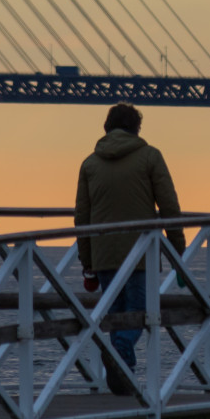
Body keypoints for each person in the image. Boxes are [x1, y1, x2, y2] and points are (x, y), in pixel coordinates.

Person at [74, 103, 186, 395]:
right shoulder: (150, 157)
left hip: (104, 254)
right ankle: (122, 355)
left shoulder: (89, 164)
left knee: (116, 314)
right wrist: (177, 251)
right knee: (139, 311)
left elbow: (81, 218)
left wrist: (87, 262)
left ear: (107, 128)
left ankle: (123, 378)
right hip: (141, 254)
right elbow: (170, 207)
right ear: (137, 129)